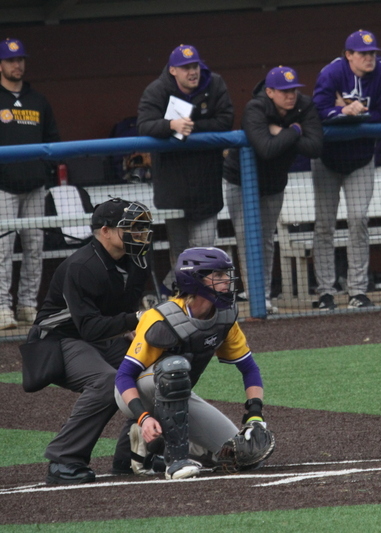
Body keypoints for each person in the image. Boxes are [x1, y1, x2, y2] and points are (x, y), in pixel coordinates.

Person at [114, 247, 275, 480]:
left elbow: (249, 368)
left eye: (226, 274)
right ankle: (175, 462)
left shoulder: (225, 315)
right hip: (136, 393)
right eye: (218, 276)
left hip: (178, 393)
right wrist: (143, 416)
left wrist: (255, 414)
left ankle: (154, 446)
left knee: (239, 454)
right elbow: (124, 376)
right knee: (174, 370)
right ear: (194, 280)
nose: (226, 282)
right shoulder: (160, 318)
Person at [25, 198, 153, 484]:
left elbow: (125, 313)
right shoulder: (82, 266)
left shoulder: (138, 258)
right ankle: (63, 459)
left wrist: (135, 328)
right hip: (58, 340)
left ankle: (132, 455)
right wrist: (135, 320)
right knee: (108, 382)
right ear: (105, 231)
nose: (141, 234)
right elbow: (90, 329)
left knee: (153, 372)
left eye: (142, 228)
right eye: (131, 227)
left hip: (100, 337)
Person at [223, 66, 323, 313]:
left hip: (275, 182)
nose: (291, 95)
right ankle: (255, 295)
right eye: (284, 91)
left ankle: (263, 294)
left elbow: (315, 147)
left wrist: (287, 132)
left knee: (266, 237)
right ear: (269, 91)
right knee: (248, 237)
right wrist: (296, 131)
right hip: (241, 180)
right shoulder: (255, 108)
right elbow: (265, 148)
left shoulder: (304, 106)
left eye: (293, 90)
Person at [137, 44, 234, 293]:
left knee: (203, 251)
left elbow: (226, 119)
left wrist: (190, 127)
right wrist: (171, 124)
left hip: (207, 185)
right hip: (173, 188)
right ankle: (180, 301)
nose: (193, 72)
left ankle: (176, 295)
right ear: (173, 71)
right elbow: (144, 126)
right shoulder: (158, 90)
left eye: (195, 66)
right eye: (186, 68)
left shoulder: (215, 85)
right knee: (180, 253)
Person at [311, 30, 381, 310]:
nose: (369, 58)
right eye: (363, 53)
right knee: (325, 225)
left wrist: (351, 110)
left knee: (358, 220)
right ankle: (325, 291)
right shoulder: (332, 73)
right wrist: (341, 112)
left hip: (361, 158)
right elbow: (316, 110)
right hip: (327, 159)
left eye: (372, 52)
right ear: (348, 55)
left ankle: (357, 291)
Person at [0, 37, 60, 329]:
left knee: (35, 248)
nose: (17, 64)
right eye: (11, 60)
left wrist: (45, 174)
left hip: (36, 188)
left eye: (21, 59)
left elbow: (53, 141)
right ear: (1, 64)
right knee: (2, 251)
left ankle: (27, 306)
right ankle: (2, 308)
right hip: (3, 189)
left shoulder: (38, 100)